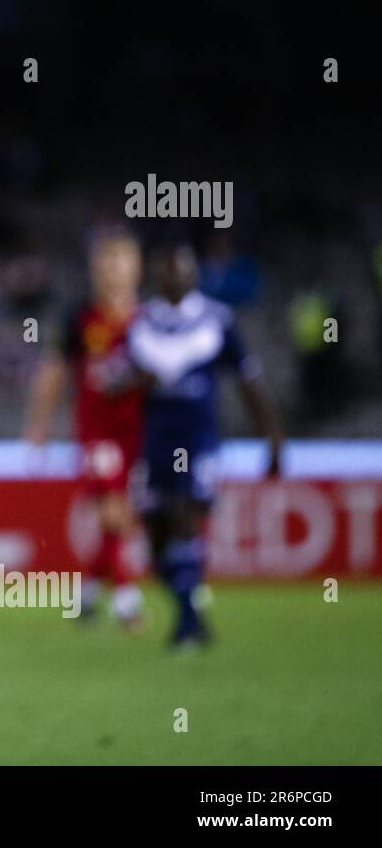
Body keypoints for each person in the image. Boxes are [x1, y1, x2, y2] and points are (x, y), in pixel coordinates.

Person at [126, 240, 283, 647]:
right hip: (154, 442)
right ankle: (190, 613)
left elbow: (248, 381)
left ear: (193, 274)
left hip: (198, 440)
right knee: (156, 536)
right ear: (157, 275)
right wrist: (129, 382)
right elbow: (117, 379)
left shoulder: (217, 320)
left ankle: (187, 624)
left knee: (184, 514)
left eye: (182, 269)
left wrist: (274, 438)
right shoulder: (140, 322)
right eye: (167, 269)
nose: (175, 276)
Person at [25, 228, 145, 629]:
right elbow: (53, 372)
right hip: (97, 431)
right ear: (96, 269)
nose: (114, 272)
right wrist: (38, 425)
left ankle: (87, 594)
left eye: (121, 262)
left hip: (139, 432)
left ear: (136, 268)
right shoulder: (79, 318)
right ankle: (127, 600)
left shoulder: (147, 320)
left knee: (122, 514)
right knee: (113, 511)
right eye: (107, 263)